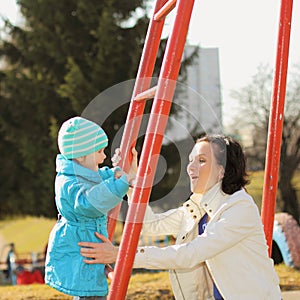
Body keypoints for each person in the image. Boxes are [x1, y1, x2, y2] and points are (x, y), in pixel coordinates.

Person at [78, 135, 282, 300]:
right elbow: (150, 225)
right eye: (191, 160)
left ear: (222, 171)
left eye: (201, 161)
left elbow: (190, 254)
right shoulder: (199, 206)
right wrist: (133, 183)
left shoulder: (239, 208)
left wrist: (120, 255)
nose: (191, 168)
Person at [44, 116, 136, 300]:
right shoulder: (69, 183)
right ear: (81, 155)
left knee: (92, 292)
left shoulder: (80, 174)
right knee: (88, 294)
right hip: (79, 248)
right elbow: (90, 203)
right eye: (99, 151)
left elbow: (98, 178)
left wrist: (114, 174)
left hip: (86, 244)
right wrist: (121, 184)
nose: (104, 157)